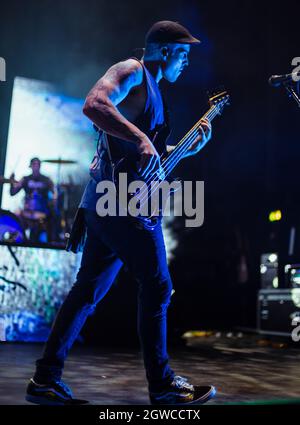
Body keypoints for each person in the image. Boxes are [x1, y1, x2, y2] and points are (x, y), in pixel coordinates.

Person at [26, 20, 216, 405]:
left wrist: (183, 151)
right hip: (117, 205)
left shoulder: (155, 95)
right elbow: (94, 104)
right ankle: (162, 385)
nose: (186, 64)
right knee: (158, 285)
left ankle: (45, 379)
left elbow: (142, 165)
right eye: (183, 55)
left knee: (87, 291)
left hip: (112, 202)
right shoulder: (132, 71)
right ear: (164, 50)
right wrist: (143, 137)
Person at [10, 157, 55, 243]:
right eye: (34, 165)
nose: (36, 167)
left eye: (37, 165)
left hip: (42, 212)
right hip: (27, 211)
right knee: (16, 217)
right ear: (30, 166)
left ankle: (51, 240)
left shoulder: (47, 180)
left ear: (40, 166)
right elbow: (13, 192)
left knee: (54, 217)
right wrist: (12, 182)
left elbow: (54, 194)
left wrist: (53, 200)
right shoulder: (25, 179)